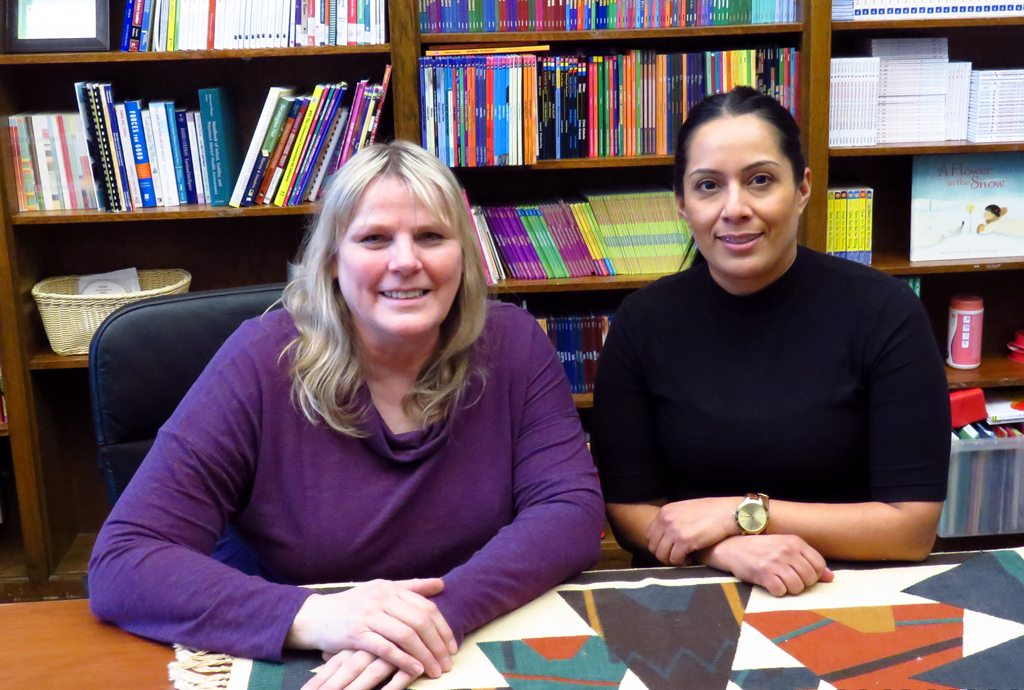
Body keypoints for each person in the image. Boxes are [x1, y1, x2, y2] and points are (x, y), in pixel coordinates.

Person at [89, 141, 604, 690]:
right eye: (374, 238)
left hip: (459, 647)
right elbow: (124, 561)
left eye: (432, 236)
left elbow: (570, 511)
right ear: (333, 260)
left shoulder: (513, 343)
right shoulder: (261, 361)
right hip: (303, 656)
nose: (406, 261)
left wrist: (436, 616)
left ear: (465, 255)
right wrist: (316, 616)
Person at [591, 87, 951, 598]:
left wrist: (742, 513)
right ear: (682, 203)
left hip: (850, 586)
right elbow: (629, 510)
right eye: (709, 186)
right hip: (693, 584)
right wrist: (726, 549)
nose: (734, 208)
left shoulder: (885, 312)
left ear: (802, 188)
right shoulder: (642, 322)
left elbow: (912, 528)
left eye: (760, 180)